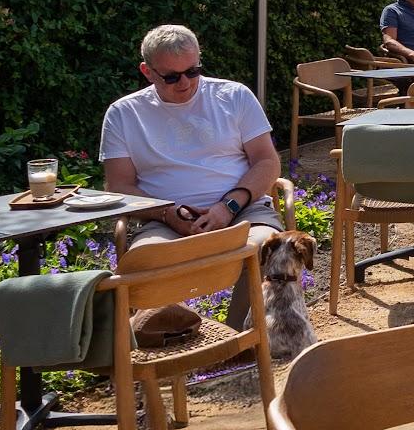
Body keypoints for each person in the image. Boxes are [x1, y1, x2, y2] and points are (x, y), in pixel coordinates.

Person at [100, 25, 282, 329]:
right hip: (162, 218)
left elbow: (267, 161)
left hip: (242, 210)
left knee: (266, 247)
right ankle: (175, 343)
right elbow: (119, 186)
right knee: (144, 260)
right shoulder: (124, 113)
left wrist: (227, 208)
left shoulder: (233, 95)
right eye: (171, 76)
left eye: (193, 71)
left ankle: (238, 342)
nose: (185, 83)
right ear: (147, 71)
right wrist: (169, 213)